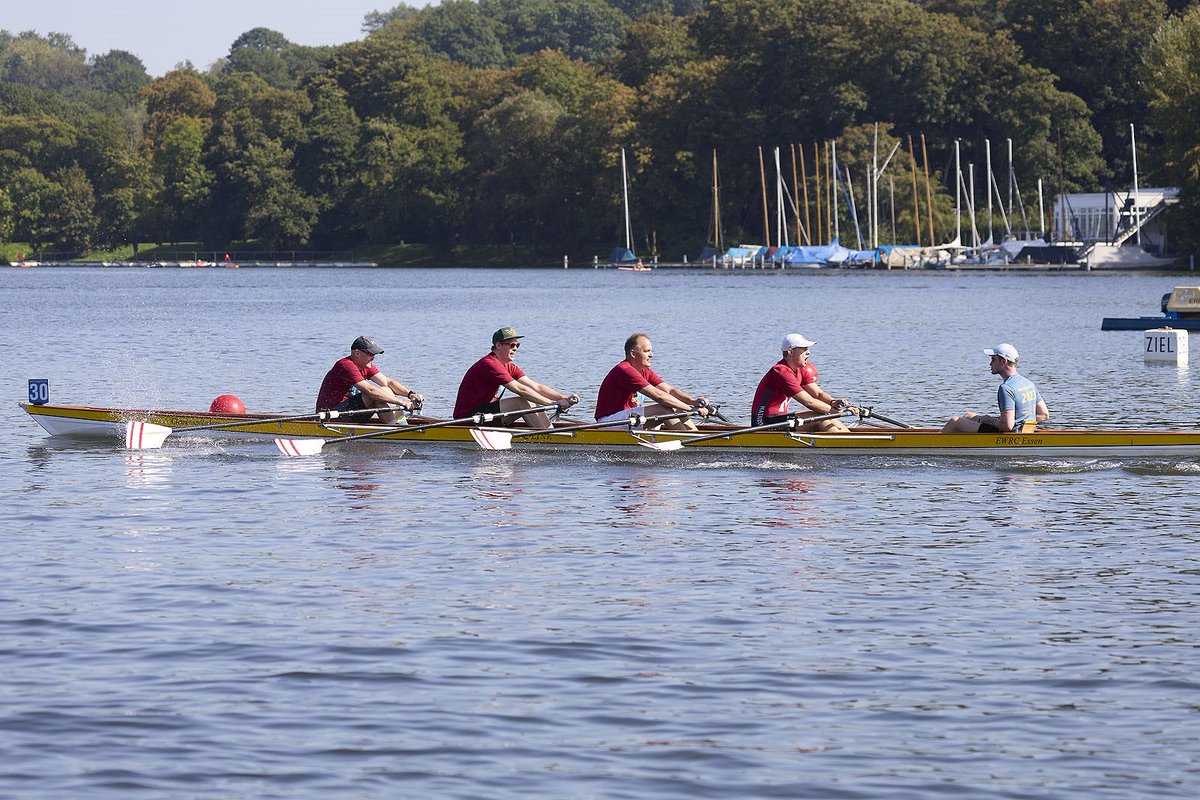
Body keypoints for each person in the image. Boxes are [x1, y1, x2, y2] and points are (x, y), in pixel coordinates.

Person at [453, 327, 580, 429]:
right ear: (498, 345)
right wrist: (552, 404)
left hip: (487, 414)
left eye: (517, 345)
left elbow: (536, 387)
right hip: (468, 418)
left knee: (533, 399)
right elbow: (520, 389)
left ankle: (549, 432)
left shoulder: (508, 366)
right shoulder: (489, 364)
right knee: (521, 401)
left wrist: (563, 398)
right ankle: (547, 439)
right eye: (511, 345)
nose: (515, 349)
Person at [594, 333, 708, 430]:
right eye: (647, 351)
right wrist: (690, 409)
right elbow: (659, 396)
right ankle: (692, 444)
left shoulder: (644, 371)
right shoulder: (624, 370)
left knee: (676, 407)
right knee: (663, 408)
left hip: (628, 418)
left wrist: (693, 402)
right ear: (633, 354)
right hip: (608, 422)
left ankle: (695, 436)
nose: (651, 355)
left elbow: (669, 390)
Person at [750, 334, 858, 432]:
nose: (808, 352)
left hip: (781, 419)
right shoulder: (780, 372)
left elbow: (818, 394)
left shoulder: (800, 369)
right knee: (819, 418)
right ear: (790, 352)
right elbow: (809, 402)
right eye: (804, 349)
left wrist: (833, 403)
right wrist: (839, 411)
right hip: (763, 423)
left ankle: (849, 440)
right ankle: (845, 447)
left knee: (825, 415)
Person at [942, 343, 1050, 433]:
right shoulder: (1029, 383)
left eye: (993, 359)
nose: (990, 363)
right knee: (968, 415)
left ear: (1004, 361)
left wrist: (991, 420)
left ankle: (934, 448)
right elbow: (1044, 415)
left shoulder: (1006, 388)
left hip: (1009, 435)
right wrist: (1023, 424)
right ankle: (961, 444)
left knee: (954, 421)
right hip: (1020, 431)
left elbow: (1007, 426)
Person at [315, 336, 423, 422]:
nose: (373, 357)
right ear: (357, 353)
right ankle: (398, 427)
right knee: (375, 394)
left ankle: (400, 423)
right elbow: (370, 391)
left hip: (350, 412)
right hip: (330, 415)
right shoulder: (346, 365)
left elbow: (387, 382)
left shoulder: (366, 365)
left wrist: (411, 395)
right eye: (370, 354)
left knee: (385, 389)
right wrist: (402, 402)